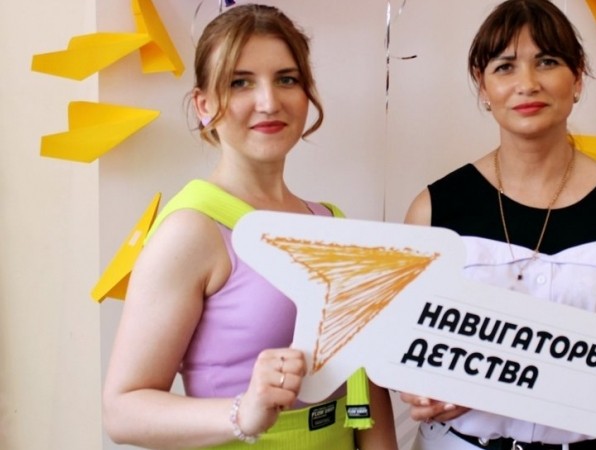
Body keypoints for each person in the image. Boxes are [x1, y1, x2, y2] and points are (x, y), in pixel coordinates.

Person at [102, 5, 397, 449]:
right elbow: (122, 411)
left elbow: (364, 385)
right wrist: (243, 411)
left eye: (286, 79)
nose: (269, 102)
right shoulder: (193, 230)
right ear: (204, 105)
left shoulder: (332, 222)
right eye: (240, 82)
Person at [400, 1, 596, 449]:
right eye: (505, 67)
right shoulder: (435, 210)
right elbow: (405, 346)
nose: (528, 83)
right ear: (483, 85)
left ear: (577, 78)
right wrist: (424, 390)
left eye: (548, 62)